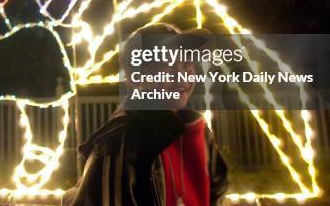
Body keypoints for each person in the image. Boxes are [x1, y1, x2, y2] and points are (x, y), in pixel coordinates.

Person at [62, 23, 228, 206]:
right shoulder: (121, 141)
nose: (181, 75)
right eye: (166, 65)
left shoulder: (198, 132)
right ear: (136, 77)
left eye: (187, 63)